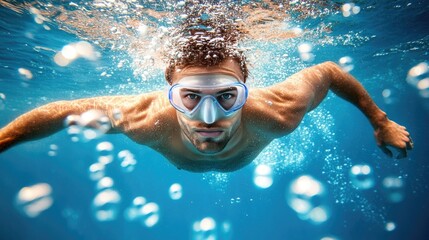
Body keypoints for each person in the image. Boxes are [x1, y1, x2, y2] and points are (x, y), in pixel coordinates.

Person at [0, 4, 413, 173]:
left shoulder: (279, 111)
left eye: (227, 97)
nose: (209, 117)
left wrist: (380, 121)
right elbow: (60, 110)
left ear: (246, 91)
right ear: (170, 95)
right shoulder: (144, 119)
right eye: (190, 97)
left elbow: (327, 71)